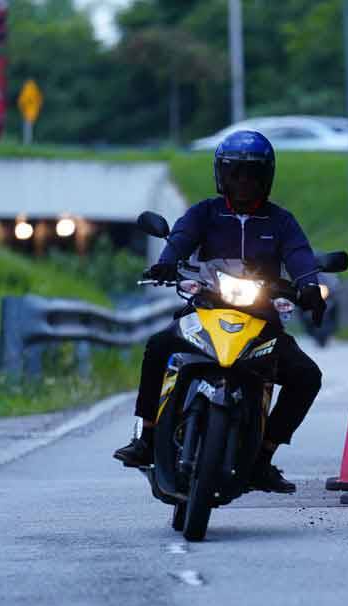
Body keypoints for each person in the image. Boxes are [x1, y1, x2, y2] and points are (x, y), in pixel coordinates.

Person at [113, 130, 325, 494]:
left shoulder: (281, 222)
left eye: (252, 174)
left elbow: (300, 255)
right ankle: (147, 435)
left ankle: (264, 457)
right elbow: (180, 238)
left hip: (261, 321)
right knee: (159, 346)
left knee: (307, 376)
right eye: (235, 173)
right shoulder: (205, 213)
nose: (243, 182)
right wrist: (167, 263)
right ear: (221, 175)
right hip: (206, 309)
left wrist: (309, 284)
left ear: (266, 178)